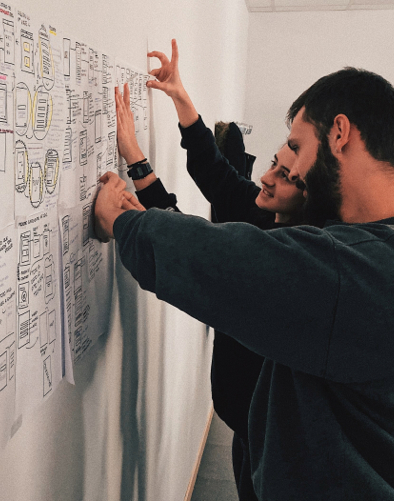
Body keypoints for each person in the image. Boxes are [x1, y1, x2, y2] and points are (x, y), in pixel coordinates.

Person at [96, 41, 394, 501]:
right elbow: (220, 213)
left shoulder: (370, 269)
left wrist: (122, 221)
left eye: (296, 148)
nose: (288, 172)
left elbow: (222, 261)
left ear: (339, 133)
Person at [114, 81, 314, 501]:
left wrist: (125, 219)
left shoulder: (279, 261)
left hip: (271, 433)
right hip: (247, 419)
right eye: (275, 162)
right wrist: (180, 100)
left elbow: (186, 245)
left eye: (283, 173)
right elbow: (214, 172)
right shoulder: (265, 208)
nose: (266, 175)